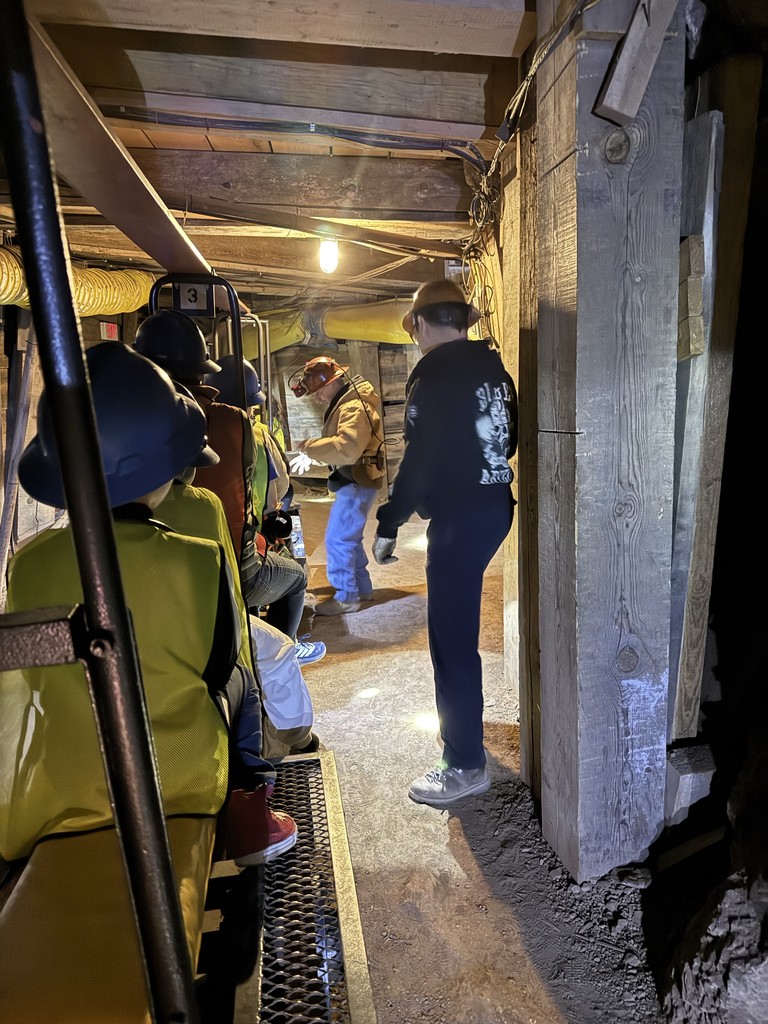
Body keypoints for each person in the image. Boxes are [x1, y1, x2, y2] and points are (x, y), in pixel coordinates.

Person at [3, 341, 297, 867]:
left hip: (56, 781)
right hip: (176, 780)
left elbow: (34, 675)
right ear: (161, 471)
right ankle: (252, 810)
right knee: (242, 682)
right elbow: (216, 667)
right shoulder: (196, 559)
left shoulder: (28, 563)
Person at [372, 279, 518, 807]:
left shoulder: (432, 375)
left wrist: (390, 519)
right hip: (495, 507)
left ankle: (464, 763)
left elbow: (420, 458)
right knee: (456, 631)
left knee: (451, 640)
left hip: (458, 520)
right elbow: (510, 438)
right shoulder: (494, 371)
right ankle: (462, 741)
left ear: (419, 322)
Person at [134, 310, 310, 648]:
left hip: (147, 574)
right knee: (295, 577)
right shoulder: (236, 426)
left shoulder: (134, 419)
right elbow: (274, 494)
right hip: (231, 568)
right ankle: (280, 658)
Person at [288, 356, 386, 615]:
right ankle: (362, 590)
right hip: (354, 479)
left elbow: (347, 448)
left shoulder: (353, 407)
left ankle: (346, 597)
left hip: (355, 480)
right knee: (349, 538)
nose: (318, 398)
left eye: (319, 391)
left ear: (332, 382)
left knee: (338, 539)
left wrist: (309, 448)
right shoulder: (349, 403)